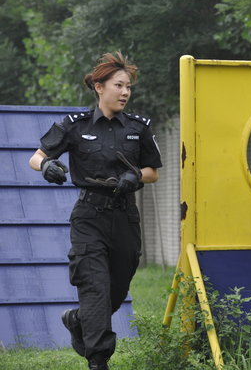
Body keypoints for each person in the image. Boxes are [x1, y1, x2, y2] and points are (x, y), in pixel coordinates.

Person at [29, 52, 162, 370]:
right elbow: (36, 156)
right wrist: (47, 165)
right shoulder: (75, 126)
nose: (125, 92)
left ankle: (78, 320)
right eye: (119, 85)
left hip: (125, 216)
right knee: (95, 287)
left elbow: (153, 171)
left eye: (128, 86)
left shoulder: (138, 127)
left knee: (116, 289)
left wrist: (136, 176)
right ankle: (98, 360)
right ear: (99, 87)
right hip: (89, 216)